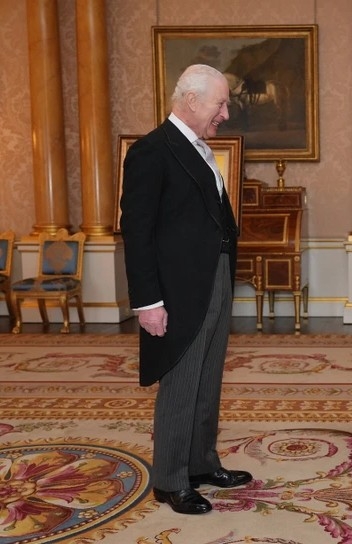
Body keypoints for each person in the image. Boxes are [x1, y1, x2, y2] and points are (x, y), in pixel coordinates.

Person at [120, 64, 252, 515]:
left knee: (208, 377)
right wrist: (148, 302)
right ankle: (171, 479)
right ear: (192, 100)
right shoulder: (151, 151)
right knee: (180, 380)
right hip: (176, 290)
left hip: (214, 278)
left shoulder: (201, 148)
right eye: (221, 103)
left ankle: (200, 463)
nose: (226, 114)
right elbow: (137, 232)